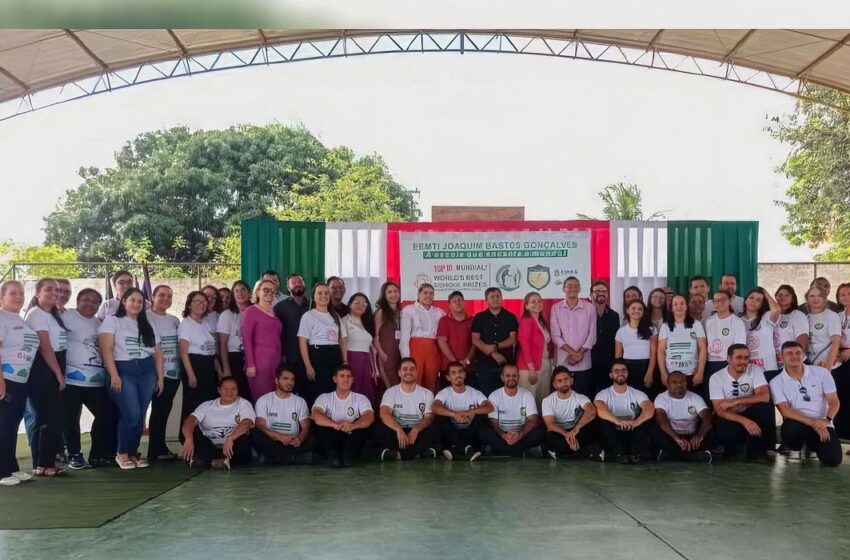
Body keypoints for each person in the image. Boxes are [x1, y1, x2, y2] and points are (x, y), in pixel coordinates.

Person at [98, 287, 164, 470]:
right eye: (132, 300)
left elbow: (158, 353)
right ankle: (122, 452)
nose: (136, 304)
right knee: (131, 413)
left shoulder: (148, 323)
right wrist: (114, 375)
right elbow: (106, 350)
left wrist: (160, 378)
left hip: (146, 370)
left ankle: (133, 452)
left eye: (140, 301)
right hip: (123, 369)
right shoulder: (113, 321)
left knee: (140, 414)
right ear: (123, 301)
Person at [62, 288, 116, 469]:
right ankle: (74, 454)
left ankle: (98, 454)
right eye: (86, 299)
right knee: (70, 418)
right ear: (77, 301)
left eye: (95, 301)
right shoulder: (66, 316)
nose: (90, 304)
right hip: (71, 379)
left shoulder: (100, 323)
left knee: (108, 413)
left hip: (96, 381)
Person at [770, 341, 842, 466]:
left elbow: (834, 402)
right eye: (789, 353)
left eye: (798, 352)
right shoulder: (776, 382)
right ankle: (794, 450)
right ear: (781, 357)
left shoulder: (822, 373)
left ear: (803, 355)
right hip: (798, 423)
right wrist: (814, 424)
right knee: (791, 429)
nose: (795, 356)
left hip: (823, 423)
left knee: (833, 460)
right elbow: (785, 410)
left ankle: (813, 448)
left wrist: (826, 421)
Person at [25, 278, 69, 476]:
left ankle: (45, 463)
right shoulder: (36, 314)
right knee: (48, 417)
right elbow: (45, 346)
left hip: (55, 363)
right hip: (42, 367)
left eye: (57, 290)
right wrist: (59, 374)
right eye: (49, 289)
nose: (54, 293)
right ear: (38, 293)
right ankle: (42, 464)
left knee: (53, 417)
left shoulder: (53, 314)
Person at [0, 280, 38, 486]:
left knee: (12, 425)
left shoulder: (20, 319)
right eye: (12, 293)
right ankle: (1, 471)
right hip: (6, 379)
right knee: (4, 425)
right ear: (1, 297)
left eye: (21, 293)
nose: (18, 297)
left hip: (21, 380)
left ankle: (11, 467)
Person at [709, 344, 774, 459]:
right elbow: (719, 410)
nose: (743, 361)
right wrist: (745, 422)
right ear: (729, 359)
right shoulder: (716, 377)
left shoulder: (755, 370)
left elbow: (764, 396)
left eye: (746, 358)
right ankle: (731, 450)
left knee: (765, 408)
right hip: (730, 415)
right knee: (727, 429)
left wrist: (734, 402)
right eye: (739, 357)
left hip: (749, 410)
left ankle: (762, 450)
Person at [180, 376, 255, 470]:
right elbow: (190, 420)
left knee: (245, 438)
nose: (229, 392)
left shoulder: (243, 403)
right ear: (219, 390)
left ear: (237, 391)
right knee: (187, 432)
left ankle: (206, 462)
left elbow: (246, 422)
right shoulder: (207, 405)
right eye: (226, 389)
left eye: (233, 389)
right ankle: (219, 461)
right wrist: (189, 439)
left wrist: (231, 438)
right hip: (210, 447)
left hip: (232, 447)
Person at [374, 357, 439, 460]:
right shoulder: (391, 392)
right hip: (397, 433)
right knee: (379, 429)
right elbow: (384, 413)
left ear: (416, 372)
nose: (408, 372)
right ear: (399, 373)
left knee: (434, 429)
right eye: (405, 369)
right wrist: (398, 429)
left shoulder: (427, 393)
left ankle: (399, 454)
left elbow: (428, 418)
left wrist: (416, 429)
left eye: (412, 369)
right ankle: (418, 453)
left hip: (417, 433)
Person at [311, 365, 374, 467]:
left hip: (350, 437)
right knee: (321, 427)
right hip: (332, 438)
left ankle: (347, 457)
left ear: (353, 379)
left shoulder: (361, 398)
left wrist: (353, 425)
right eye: (342, 376)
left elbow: (369, 417)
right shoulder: (324, 397)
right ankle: (333, 457)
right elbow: (315, 415)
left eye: (349, 376)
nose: (346, 379)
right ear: (335, 379)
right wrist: (335, 425)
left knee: (362, 427)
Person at [594, 360, 654, 464]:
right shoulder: (603, 394)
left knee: (646, 421)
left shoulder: (637, 393)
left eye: (623, 370)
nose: (620, 373)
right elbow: (599, 408)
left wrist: (636, 422)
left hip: (632, 431)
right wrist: (618, 421)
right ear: (610, 375)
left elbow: (649, 408)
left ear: (627, 373)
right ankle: (618, 454)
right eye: (616, 371)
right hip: (613, 434)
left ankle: (636, 453)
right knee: (603, 423)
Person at [479, 364, 545, 457]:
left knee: (540, 431)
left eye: (514, 375)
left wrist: (519, 434)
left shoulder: (527, 394)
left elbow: (533, 420)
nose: (511, 378)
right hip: (502, 435)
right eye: (507, 375)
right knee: (484, 432)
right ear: (502, 377)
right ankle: (523, 452)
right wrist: (504, 435)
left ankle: (499, 450)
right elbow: (493, 422)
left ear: (518, 377)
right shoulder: (494, 396)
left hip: (521, 435)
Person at [432, 361, 492, 462]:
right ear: (448, 377)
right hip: (451, 432)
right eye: (453, 373)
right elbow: (435, 407)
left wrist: (469, 412)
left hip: (470, 431)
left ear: (465, 374)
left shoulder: (474, 392)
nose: (457, 375)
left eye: (460, 372)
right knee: (439, 417)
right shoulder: (444, 393)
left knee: (481, 415)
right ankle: (467, 448)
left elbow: (489, 407)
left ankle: (455, 448)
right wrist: (454, 414)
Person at [146, 284, 181, 461]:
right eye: (162, 295)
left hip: (173, 374)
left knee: (163, 410)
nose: (166, 299)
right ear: (152, 297)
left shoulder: (174, 320)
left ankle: (159, 447)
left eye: (169, 296)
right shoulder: (144, 317)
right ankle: (153, 450)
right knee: (156, 411)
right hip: (152, 373)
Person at [298, 283, 346, 406]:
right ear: (313, 296)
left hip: (335, 355)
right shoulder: (308, 316)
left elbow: (341, 339)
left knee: (334, 389)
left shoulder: (335, 316)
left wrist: (344, 361)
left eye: (326, 293)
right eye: (320, 293)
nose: (323, 296)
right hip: (318, 355)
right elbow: (302, 341)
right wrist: (308, 366)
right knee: (320, 390)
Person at [252, 366, 312, 465]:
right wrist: (279, 437)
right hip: (272, 441)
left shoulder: (300, 401)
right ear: (276, 380)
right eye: (285, 379)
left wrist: (300, 439)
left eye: (292, 380)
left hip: (293, 442)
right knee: (256, 435)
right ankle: (288, 457)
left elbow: (306, 427)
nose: (290, 382)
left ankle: (279, 457)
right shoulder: (264, 400)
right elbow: (260, 425)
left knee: (314, 436)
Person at [178, 291, 219, 433]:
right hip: (194, 366)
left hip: (208, 367)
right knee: (193, 406)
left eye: (204, 302)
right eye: (197, 301)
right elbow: (183, 352)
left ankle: (205, 440)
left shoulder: (206, 324)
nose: (201, 304)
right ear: (189, 305)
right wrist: (191, 375)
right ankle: (188, 440)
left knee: (207, 406)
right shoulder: (186, 324)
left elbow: (211, 352)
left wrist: (219, 372)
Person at [549, 277, 596, 397]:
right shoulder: (556, 308)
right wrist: (573, 353)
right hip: (563, 362)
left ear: (580, 288)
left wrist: (579, 354)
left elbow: (592, 335)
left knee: (583, 396)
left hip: (584, 361)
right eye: (569, 285)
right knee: (563, 397)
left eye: (576, 285)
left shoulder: (589, 307)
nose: (572, 288)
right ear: (563, 288)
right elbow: (555, 336)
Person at [652, 371, 713, 462]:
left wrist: (699, 435)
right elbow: (661, 419)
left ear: (686, 383)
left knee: (710, 427)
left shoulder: (695, 397)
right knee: (656, 430)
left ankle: (673, 455)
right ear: (668, 385)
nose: (679, 384)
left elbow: (706, 417)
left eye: (682, 381)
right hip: (672, 437)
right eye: (674, 382)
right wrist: (676, 438)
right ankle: (691, 456)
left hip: (692, 438)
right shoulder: (661, 398)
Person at [542, 366, 599, 459]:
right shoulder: (547, 400)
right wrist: (567, 435)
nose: (564, 383)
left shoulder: (581, 397)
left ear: (571, 381)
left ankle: (558, 452)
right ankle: (587, 453)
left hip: (576, 431)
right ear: (554, 384)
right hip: (560, 433)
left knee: (592, 427)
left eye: (566, 379)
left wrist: (577, 428)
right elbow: (550, 425)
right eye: (559, 381)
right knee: (549, 436)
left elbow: (592, 411)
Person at [472, 287, 519, 396]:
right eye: (492, 297)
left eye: (498, 296)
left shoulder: (510, 317)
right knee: (485, 395)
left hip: (506, 363)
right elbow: (475, 339)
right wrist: (492, 353)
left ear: (502, 298)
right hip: (485, 364)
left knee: (505, 395)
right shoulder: (479, 317)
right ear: (486, 300)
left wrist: (496, 347)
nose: (495, 299)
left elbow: (513, 339)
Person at [242, 279, 283, 401]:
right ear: (258, 292)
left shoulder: (275, 312)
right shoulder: (251, 311)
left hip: (275, 363)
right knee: (262, 400)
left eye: (273, 291)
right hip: (259, 364)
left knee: (274, 399)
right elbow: (247, 338)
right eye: (266, 290)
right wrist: (250, 364)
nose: (270, 293)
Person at [702, 290, 747, 401]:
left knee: (729, 397)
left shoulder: (737, 322)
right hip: (710, 364)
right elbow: (703, 345)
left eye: (723, 300)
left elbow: (740, 348)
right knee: (712, 398)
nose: (719, 303)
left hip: (728, 364)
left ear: (729, 301)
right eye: (716, 300)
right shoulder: (708, 321)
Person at [400, 283, 444, 392]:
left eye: (431, 293)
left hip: (433, 349)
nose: (428, 296)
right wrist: (406, 358)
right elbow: (404, 337)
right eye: (425, 293)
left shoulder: (439, 312)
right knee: (414, 379)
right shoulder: (408, 310)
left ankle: (429, 407)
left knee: (431, 380)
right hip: (415, 347)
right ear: (419, 294)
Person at [658, 294, 707, 389]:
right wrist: (663, 373)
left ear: (686, 306)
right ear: (672, 308)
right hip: (671, 374)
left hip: (692, 374)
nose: (679, 306)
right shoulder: (665, 326)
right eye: (675, 304)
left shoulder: (696, 325)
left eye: (682, 303)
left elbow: (703, 348)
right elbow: (660, 350)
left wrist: (700, 372)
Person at [273, 273, 310, 391]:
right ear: (288, 288)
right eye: (293, 283)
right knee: (290, 390)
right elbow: (277, 333)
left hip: (311, 357)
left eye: (300, 282)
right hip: (290, 356)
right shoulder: (280, 307)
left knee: (309, 390)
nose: (297, 285)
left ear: (304, 285)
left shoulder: (312, 305)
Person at [517, 291, 553, 408]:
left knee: (542, 398)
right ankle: (528, 424)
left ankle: (541, 424)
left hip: (545, 364)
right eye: (533, 302)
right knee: (528, 399)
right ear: (526, 305)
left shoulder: (543, 322)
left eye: (539, 301)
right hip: (530, 367)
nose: (537, 304)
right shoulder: (526, 320)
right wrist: (531, 368)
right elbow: (525, 344)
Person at [218, 280, 252, 400]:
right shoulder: (227, 315)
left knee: (251, 395)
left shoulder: (255, 312)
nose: (240, 293)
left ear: (249, 293)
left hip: (252, 359)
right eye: (236, 291)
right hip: (234, 360)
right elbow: (222, 345)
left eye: (243, 290)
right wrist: (226, 368)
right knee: (237, 396)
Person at [342, 293, 378, 406]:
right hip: (351, 360)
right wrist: (345, 362)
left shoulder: (367, 323)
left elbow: (370, 347)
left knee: (366, 391)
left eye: (364, 304)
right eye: (357, 302)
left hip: (366, 362)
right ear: (350, 304)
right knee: (353, 389)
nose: (360, 306)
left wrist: (374, 368)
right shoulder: (344, 321)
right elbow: (341, 342)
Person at [614, 299, 657, 391]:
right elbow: (618, 356)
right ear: (627, 310)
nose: (636, 311)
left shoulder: (651, 329)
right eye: (633, 308)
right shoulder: (621, 331)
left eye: (640, 309)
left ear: (643, 311)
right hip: (628, 368)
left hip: (646, 367)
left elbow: (654, 353)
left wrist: (650, 372)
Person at [436, 290, 474, 388]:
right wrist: (454, 361)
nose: (458, 303)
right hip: (448, 368)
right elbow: (442, 341)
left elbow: (476, 343)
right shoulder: (444, 320)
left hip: (469, 368)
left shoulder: (473, 320)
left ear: (464, 302)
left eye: (460, 300)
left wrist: (468, 359)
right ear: (449, 304)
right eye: (454, 301)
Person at [742, 288, 781, 382]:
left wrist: (765, 293)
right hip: (747, 368)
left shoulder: (766, 317)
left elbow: (776, 309)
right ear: (745, 300)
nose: (754, 301)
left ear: (761, 305)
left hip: (768, 368)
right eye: (751, 298)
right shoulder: (737, 320)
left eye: (758, 300)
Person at [591, 281, 620, 395]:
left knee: (607, 393)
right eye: (597, 291)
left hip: (608, 361)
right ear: (591, 295)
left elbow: (616, 340)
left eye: (604, 291)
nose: (601, 293)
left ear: (607, 294)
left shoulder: (614, 315)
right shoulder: (585, 313)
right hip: (589, 361)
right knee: (590, 392)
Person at [374, 281, 403, 389]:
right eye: (389, 292)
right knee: (390, 387)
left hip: (398, 354)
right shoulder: (381, 313)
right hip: (386, 354)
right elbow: (375, 338)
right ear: (384, 295)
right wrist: (381, 353)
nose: (393, 294)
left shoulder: (401, 312)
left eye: (395, 291)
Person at [804, 285, 841, 370]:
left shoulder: (831, 316)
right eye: (812, 296)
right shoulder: (807, 317)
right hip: (812, 365)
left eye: (819, 296)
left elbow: (836, 341)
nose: (815, 299)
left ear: (825, 298)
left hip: (829, 366)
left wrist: (828, 366)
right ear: (807, 299)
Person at [774, 284, 810, 368]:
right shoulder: (772, 316)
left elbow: (802, 338)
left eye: (787, 295)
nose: (783, 297)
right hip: (776, 362)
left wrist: (796, 358)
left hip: (793, 362)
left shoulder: (798, 315)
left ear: (793, 298)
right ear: (776, 297)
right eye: (780, 295)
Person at [833, 282, 850, 441]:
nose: (846, 297)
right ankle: (842, 435)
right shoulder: (838, 316)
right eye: (842, 294)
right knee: (840, 397)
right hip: (839, 361)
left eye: (849, 294)